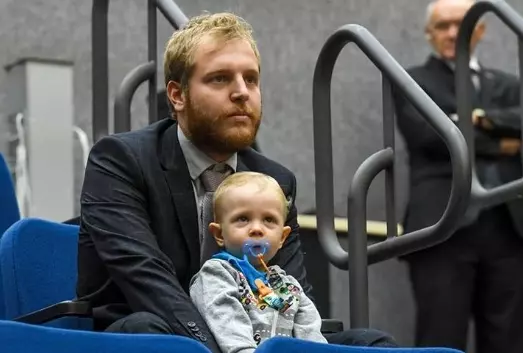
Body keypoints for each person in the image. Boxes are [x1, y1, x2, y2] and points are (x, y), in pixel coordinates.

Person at [77, 12, 396, 352]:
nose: (242, 93)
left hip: (254, 334)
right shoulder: (119, 159)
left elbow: (284, 291)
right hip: (152, 329)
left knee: (372, 342)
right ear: (177, 95)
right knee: (151, 332)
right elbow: (147, 280)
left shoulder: (275, 180)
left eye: (251, 79)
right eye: (219, 79)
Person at [393, 1, 523, 352]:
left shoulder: (509, 84)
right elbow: (431, 138)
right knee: (441, 337)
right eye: (442, 26)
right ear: (429, 34)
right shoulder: (412, 81)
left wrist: (473, 119)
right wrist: (506, 142)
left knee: (508, 339)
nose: (453, 33)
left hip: (508, 226)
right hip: (442, 223)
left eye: (461, 24)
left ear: (480, 29)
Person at [190, 171, 327, 353]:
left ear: (282, 237)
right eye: (243, 218)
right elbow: (228, 322)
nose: (256, 229)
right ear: (219, 234)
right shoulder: (217, 274)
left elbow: (312, 337)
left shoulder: (289, 285)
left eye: (268, 220)